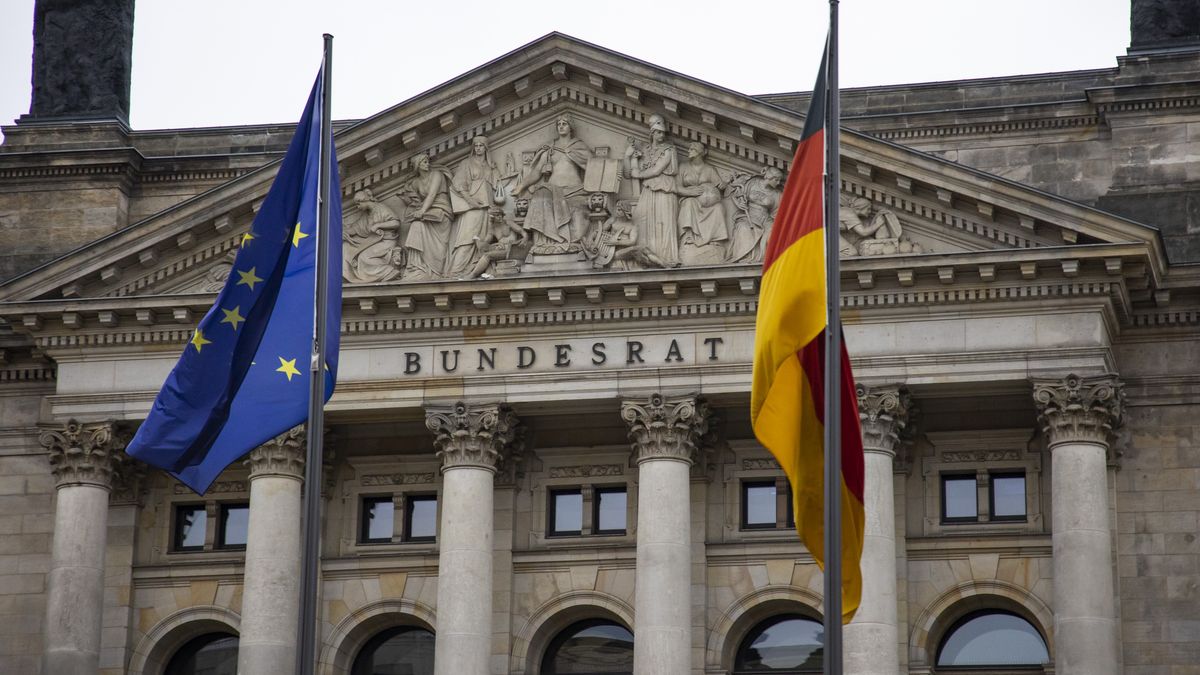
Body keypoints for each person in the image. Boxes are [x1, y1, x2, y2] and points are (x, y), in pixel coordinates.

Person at [512, 115, 592, 254]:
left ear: (570, 127)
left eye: (564, 124)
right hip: (552, 190)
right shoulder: (549, 149)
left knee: (577, 212)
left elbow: (594, 167)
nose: (561, 126)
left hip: (575, 190)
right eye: (559, 124)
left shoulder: (579, 146)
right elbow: (536, 172)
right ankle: (543, 243)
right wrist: (521, 186)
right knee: (539, 196)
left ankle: (566, 242)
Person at [625, 114, 679, 265]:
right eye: (659, 132)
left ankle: (668, 258)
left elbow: (657, 170)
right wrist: (629, 157)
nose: (662, 135)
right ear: (652, 133)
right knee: (642, 221)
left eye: (663, 132)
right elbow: (628, 173)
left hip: (664, 190)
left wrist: (639, 174)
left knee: (663, 223)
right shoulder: (645, 150)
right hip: (648, 190)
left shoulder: (669, 149)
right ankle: (647, 257)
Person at [446, 136, 501, 277]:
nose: (478, 148)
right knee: (467, 238)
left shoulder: (489, 166)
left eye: (481, 145)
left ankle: (475, 270)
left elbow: (497, 186)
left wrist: (494, 170)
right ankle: (456, 272)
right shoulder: (466, 163)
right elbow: (458, 184)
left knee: (483, 239)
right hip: (472, 208)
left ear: (486, 148)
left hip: (486, 208)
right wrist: (470, 201)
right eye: (475, 145)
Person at [400, 154, 454, 280]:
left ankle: (436, 270)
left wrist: (422, 211)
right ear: (417, 165)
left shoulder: (436, 174)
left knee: (439, 245)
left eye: (427, 161)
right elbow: (415, 200)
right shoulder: (416, 182)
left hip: (441, 211)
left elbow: (432, 195)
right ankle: (416, 267)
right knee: (416, 225)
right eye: (423, 162)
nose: (427, 164)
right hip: (426, 213)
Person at [676, 142, 729, 265]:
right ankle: (688, 236)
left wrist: (723, 185)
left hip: (708, 203)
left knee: (719, 208)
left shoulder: (709, 169)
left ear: (701, 152)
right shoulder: (683, 167)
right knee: (689, 204)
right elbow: (676, 187)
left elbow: (719, 185)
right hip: (689, 198)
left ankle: (716, 239)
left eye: (692, 149)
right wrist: (689, 192)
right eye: (689, 148)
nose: (689, 150)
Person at [343, 189, 403, 283]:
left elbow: (396, 222)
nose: (358, 207)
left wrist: (378, 225)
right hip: (372, 240)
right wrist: (342, 231)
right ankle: (350, 276)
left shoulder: (381, 209)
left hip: (386, 241)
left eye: (358, 204)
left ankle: (388, 271)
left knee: (364, 257)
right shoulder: (367, 214)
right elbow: (356, 228)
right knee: (346, 247)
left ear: (364, 201)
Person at [726, 167, 784, 264]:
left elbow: (777, 213)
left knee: (773, 234)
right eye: (776, 180)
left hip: (766, 219)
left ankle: (767, 261)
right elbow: (739, 194)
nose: (778, 183)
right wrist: (739, 203)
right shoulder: (753, 183)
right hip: (748, 215)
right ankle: (744, 258)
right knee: (743, 228)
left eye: (779, 181)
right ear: (769, 177)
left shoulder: (777, 194)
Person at [601, 200, 675, 270]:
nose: (617, 212)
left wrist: (616, 242)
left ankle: (662, 264)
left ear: (625, 211)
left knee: (644, 249)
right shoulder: (612, 221)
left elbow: (632, 241)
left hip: (623, 250)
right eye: (617, 209)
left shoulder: (632, 226)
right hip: (612, 252)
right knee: (636, 250)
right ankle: (660, 265)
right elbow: (600, 233)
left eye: (620, 210)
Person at [465, 207, 527, 279]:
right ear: (492, 217)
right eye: (497, 215)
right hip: (500, 250)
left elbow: (523, 232)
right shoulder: (493, 228)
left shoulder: (508, 223)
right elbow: (485, 244)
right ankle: (487, 273)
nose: (499, 217)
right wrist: (477, 240)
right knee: (484, 252)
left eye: (500, 215)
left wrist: (525, 239)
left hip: (510, 250)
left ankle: (473, 274)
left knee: (487, 255)